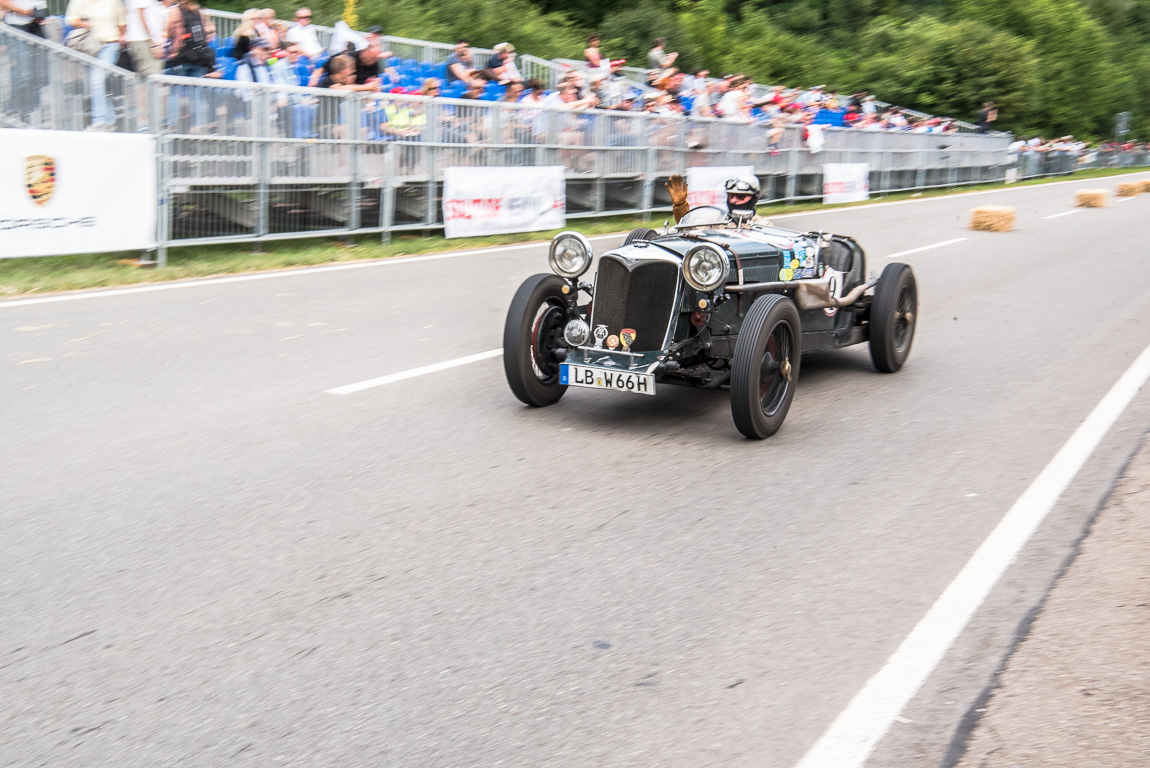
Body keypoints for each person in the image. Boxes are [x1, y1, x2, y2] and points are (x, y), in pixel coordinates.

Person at [65, 0, 125, 128]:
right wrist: (87, 24)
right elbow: (71, 20)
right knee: (99, 84)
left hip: (109, 45)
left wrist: (120, 39)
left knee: (97, 82)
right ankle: (110, 120)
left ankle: (99, 120)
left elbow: (121, 22)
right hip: (88, 46)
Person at [124, 0, 166, 76]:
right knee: (153, 78)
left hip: (143, 41)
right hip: (144, 41)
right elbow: (142, 15)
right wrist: (153, 44)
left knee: (143, 79)